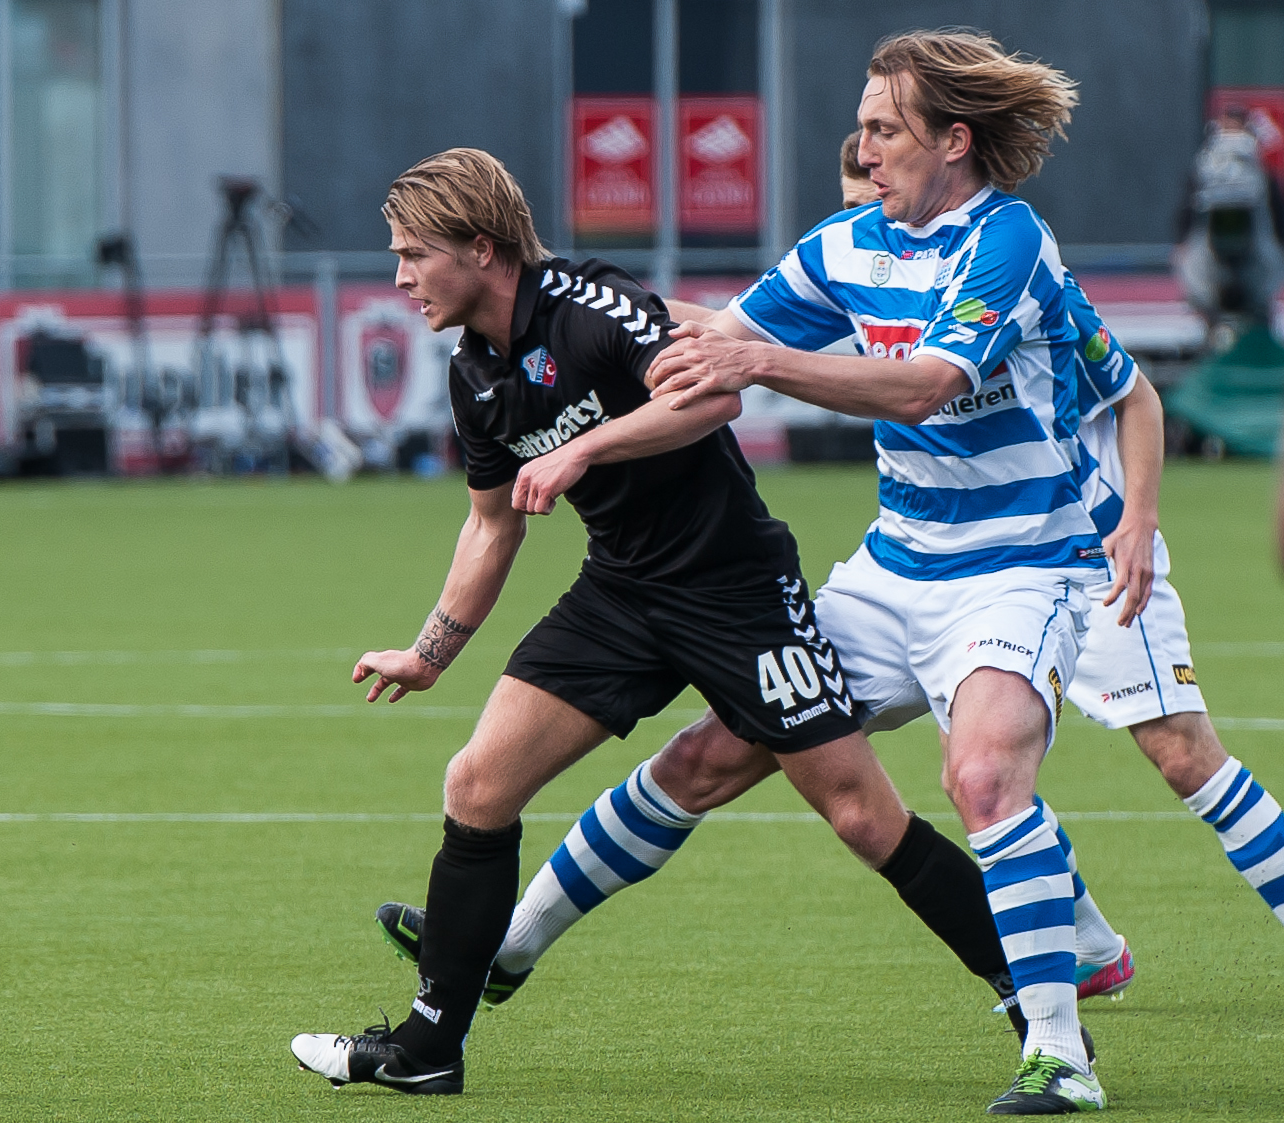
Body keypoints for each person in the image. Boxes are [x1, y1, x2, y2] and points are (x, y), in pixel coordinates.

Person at [286, 146, 1019, 1103]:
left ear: (481, 246)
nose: (399, 277)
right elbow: (491, 521)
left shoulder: (590, 305)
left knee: (861, 815)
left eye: (415, 254)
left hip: (737, 592)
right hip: (621, 595)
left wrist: (585, 447)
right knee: (477, 781)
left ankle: (1033, 994)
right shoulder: (476, 372)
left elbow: (715, 395)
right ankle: (431, 1046)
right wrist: (429, 656)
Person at [522, 29, 1111, 1114]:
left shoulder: (1008, 240)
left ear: (953, 140)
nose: (863, 144)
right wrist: (545, 294)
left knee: (980, 779)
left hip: (1021, 566)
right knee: (708, 753)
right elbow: (717, 330)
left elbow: (924, 384)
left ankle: (1060, 1055)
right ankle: (499, 950)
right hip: (893, 568)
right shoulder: (848, 243)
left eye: (885, 127)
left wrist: (760, 361)